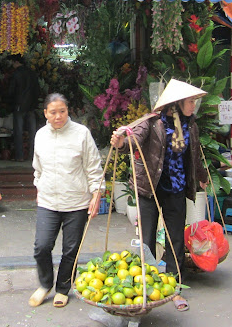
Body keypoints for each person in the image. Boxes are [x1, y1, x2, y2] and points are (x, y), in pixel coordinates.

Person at [110, 79, 209, 313]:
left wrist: (202, 175)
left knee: (175, 240)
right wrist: (121, 143)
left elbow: (194, 155)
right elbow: (132, 140)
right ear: (177, 102)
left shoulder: (190, 126)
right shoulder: (152, 122)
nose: (194, 105)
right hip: (149, 190)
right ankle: (148, 285)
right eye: (191, 101)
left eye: (194, 101)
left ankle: (174, 288)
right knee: (147, 241)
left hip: (176, 189)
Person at [29, 93, 103, 309]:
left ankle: (63, 289)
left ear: (68, 111)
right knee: (41, 247)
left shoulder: (81, 134)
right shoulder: (41, 135)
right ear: (45, 113)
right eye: (53, 112)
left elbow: (93, 168)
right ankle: (45, 285)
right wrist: (39, 186)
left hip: (77, 202)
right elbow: (37, 167)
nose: (58, 116)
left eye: (62, 111)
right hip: (48, 202)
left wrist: (96, 195)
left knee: (71, 250)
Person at [7, 55, 40, 162]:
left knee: (18, 131)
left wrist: (9, 102)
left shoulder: (16, 74)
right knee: (33, 132)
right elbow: (37, 89)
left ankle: (19, 156)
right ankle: (33, 155)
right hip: (31, 105)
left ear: (16, 62)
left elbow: (11, 91)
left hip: (19, 105)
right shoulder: (32, 73)